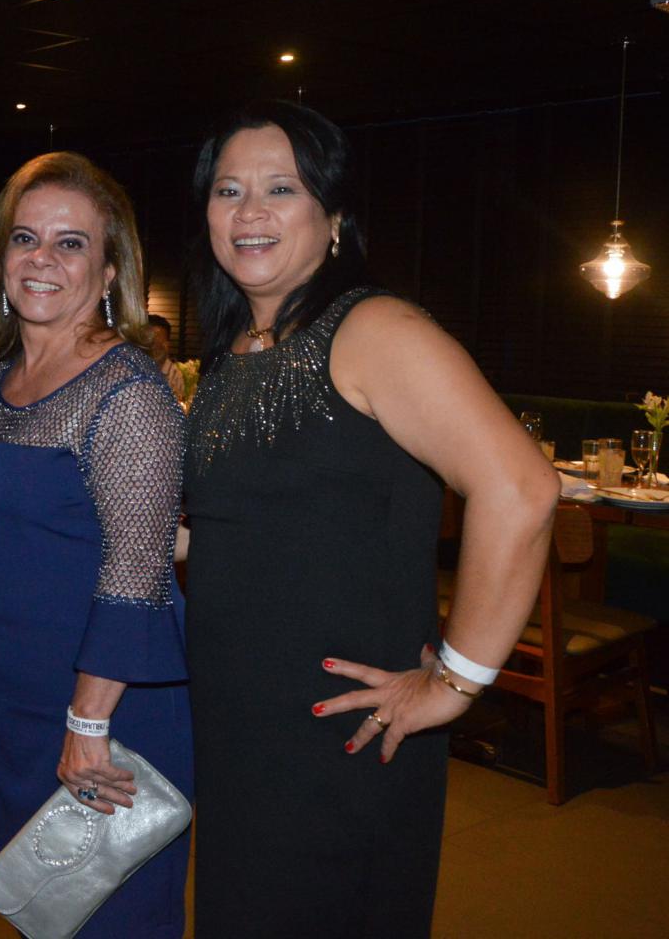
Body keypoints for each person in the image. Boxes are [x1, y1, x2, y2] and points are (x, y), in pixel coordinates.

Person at [181, 100, 555, 937]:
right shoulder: (235, 351)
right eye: (228, 190)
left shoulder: (373, 329)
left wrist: (455, 681)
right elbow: (235, 527)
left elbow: (522, 489)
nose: (249, 211)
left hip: (340, 733)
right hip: (242, 725)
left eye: (281, 188)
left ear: (336, 217)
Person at [0, 152, 192, 938]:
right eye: (25, 238)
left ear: (111, 269)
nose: (42, 259)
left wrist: (88, 725)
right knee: (43, 915)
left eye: (71, 243)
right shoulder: (2, 382)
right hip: (18, 702)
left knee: (114, 921)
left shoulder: (128, 391)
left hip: (108, 710)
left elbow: (137, 573)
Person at [145, 313, 191, 407]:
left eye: (160, 343)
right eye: (151, 342)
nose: (154, 347)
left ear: (168, 344)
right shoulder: (135, 368)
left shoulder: (175, 374)